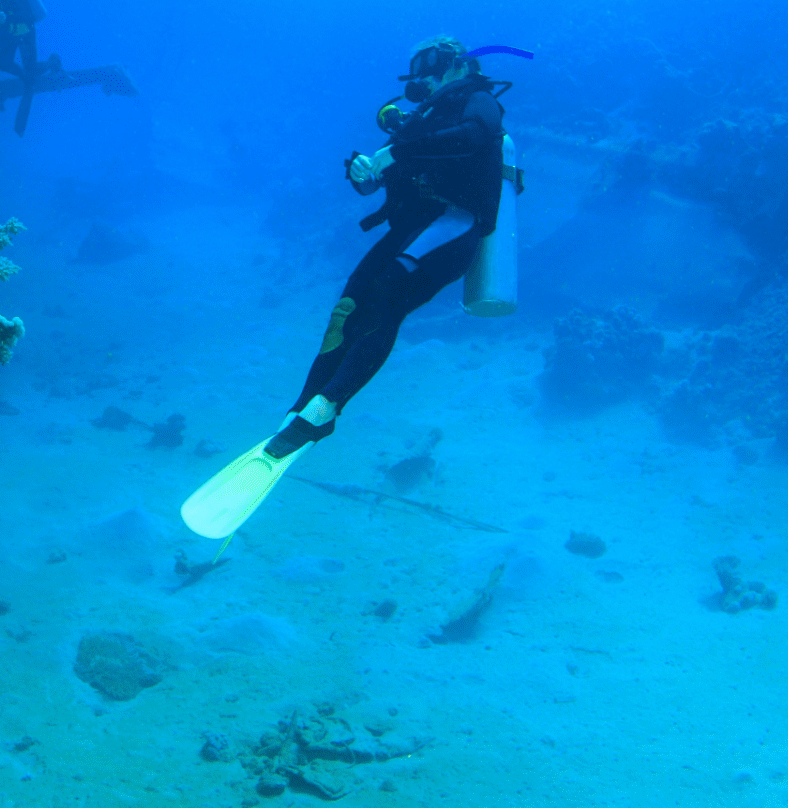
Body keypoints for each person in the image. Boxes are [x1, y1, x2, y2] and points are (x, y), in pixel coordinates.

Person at [182, 37, 532, 539]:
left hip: (455, 228)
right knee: (347, 306)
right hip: (411, 229)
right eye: (416, 68)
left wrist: (396, 150)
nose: (423, 76)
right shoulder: (424, 119)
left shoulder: (475, 101)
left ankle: (327, 407)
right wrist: (364, 174)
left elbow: (475, 136)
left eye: (431, 65)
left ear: (457, 63)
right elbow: (395, 175)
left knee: (386, 300)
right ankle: (301, 408)